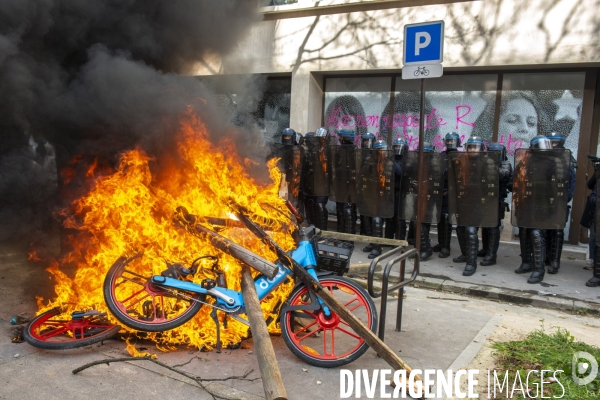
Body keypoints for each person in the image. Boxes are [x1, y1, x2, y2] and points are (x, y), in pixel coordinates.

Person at [514, 135, 553, 284]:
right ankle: (526, 262)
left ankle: (539, 270)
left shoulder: (552, 163)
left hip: (541, 203)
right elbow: (517, 180)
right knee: (524, 232)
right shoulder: (525, 162)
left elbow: (557, 185)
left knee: (537, 235)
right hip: (525, 202)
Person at [543, 131, 576, 274]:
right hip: (544, 198)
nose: (552, 145)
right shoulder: (543, 155)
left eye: (555, 142)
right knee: (544, 229)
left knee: (557, 231)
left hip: (560, 198)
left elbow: (572, 180)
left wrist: (567, 196)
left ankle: (555, 261)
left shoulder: (567, 157)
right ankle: (545, 257)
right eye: (550, 142)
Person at [476, 143, 514, 266]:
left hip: (497, 199)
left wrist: (489, 166)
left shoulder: (505, 164)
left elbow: (503, 174)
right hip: (484, 197)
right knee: (485, 226)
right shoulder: (486, 163)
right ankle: (485, 249)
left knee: (493, 227)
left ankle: (492, 255)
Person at [458, 136, 486, 276]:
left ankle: (471, 263)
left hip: (478, 202)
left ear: (481, 148)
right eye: (470, 146)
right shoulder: (462, 160)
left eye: (475, 146)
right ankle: (465, 255)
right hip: (463, 200)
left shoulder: (487, 162)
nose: (472, 149)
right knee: (461, 229)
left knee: (470, 231)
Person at [433, 132, 461, 258]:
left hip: (452, 191)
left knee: (446, 219)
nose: (450, 143)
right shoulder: (441, 156)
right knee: (440, 219)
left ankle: (446, 246)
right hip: (440, 190)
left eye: (452, 141)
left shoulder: (459, 156)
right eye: (448, 140)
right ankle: (441, 242)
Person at [302, 128, 330, 230]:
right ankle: (312, 230)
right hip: (310, 186)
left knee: (320, 207)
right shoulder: (309, 152)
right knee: (311, 208)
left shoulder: (328, 151)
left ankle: (323, 232)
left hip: (322, 186)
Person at [333, 129, 358, 234]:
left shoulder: (356, 151)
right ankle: (340, 234)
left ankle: (349, 236)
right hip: (340, 185)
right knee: (340, 210)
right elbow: (335, 165)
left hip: (351, 186)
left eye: (341, 137)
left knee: (349, 211)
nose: (339, 139)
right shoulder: (338, 151)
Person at [385, 137, 408, 240]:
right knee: (390, 217)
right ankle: (388, 238)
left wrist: (392, 161)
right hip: (390, 192)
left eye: (400, 147)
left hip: (401, 193)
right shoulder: (391, 158)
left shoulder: (407, 160)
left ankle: (399, 240)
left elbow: (400, 172)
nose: (398, 149)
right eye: (396, 147)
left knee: (400, 218)